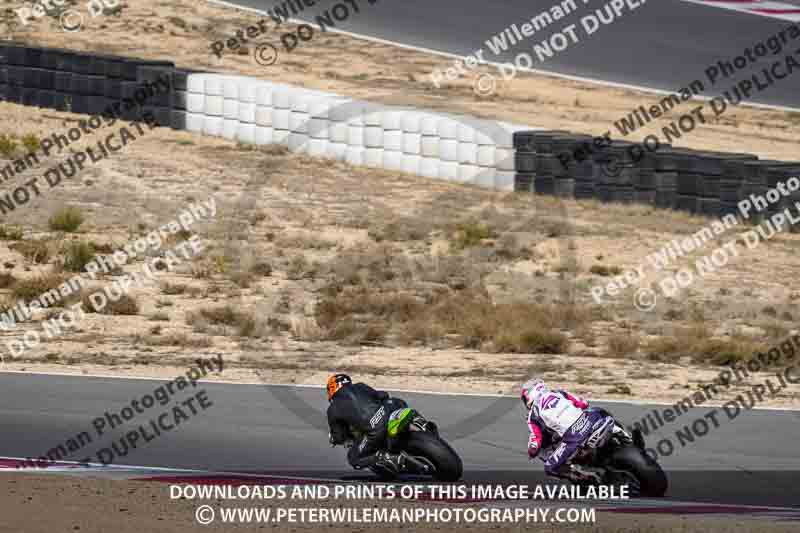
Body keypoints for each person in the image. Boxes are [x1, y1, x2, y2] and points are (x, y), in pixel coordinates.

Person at [520, 378, 615, 484]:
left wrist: (531, 452)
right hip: (589, 419)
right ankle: (624, 437)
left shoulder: (532, 415)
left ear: (529, 395)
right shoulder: (559, 393)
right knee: (598, 411)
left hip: (573, 436)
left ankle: (588, 480)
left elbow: (536, 442)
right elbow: (583, 404)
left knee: (549, 468)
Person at [326, 373, 409, 476]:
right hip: (388, 412)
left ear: (332, 388)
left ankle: (387, 457)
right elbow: (383, 395)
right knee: (397, 401)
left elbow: (339, 437)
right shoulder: (360, 386)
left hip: (374, 432)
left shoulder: (332, 410)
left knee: (353, 458)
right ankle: (421, 425)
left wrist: (334, 439)